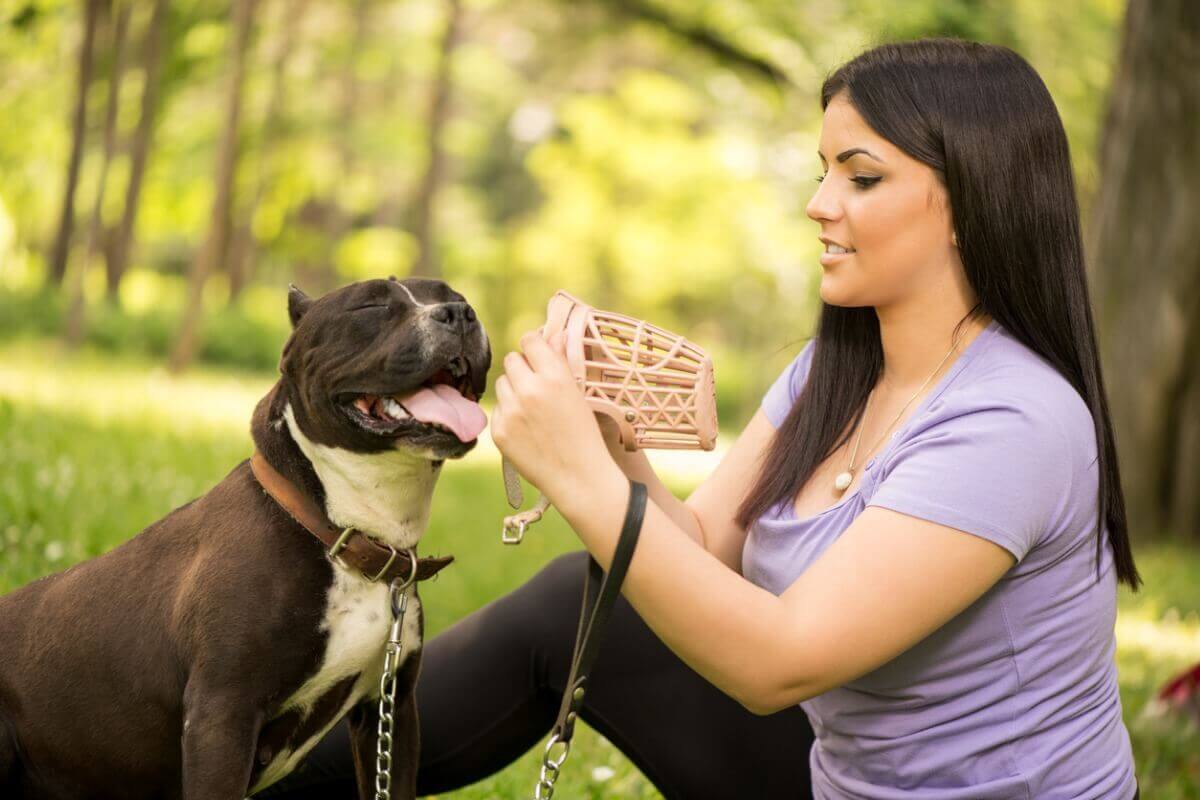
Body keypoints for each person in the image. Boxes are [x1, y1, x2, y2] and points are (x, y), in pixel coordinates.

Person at [263, 37, 1141, 799]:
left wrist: (575, 478)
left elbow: (778, 662)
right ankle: (251, 783)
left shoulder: (1014, 421)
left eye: (861, 176)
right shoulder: (835, 370)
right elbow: (700, 544)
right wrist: (614, 456)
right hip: (838, 777)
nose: (819, 204)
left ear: (972, 203)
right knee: (581, 597)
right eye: (822, 169)